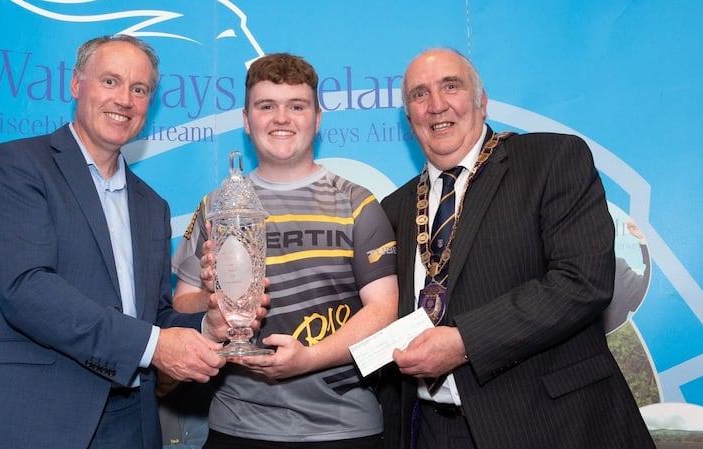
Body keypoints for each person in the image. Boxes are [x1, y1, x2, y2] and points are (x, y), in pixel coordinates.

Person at [0, 34, 233, 449]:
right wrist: (153, 345)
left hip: (130, 420)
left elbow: (153, 315)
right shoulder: (18, 165)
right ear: (77, 85)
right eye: (111, 82)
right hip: (33, 416)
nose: (125, 100)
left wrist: (207, 325)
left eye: (139, 89)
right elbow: (27, 288)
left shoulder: (152, 205)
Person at [377, 48, 656, 449]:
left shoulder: (551, 159)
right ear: (409, 119)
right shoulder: (394, 210)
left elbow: (583, 282)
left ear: (482, 100)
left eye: (450, 86)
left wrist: (463, 342)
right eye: (419, 95)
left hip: (556, 426)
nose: (436, 106)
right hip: (438, 433)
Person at [170, 53, 399, 449]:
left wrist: (309, 359)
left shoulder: (357, 203)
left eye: (296, 106)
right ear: (245, 119)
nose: (281, 118)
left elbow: (384, 311)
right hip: (238, 426)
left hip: (344, 427)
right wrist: (213, 298)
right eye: (266, 106)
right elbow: (181, 307)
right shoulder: (218, 207)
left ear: (317, 118)